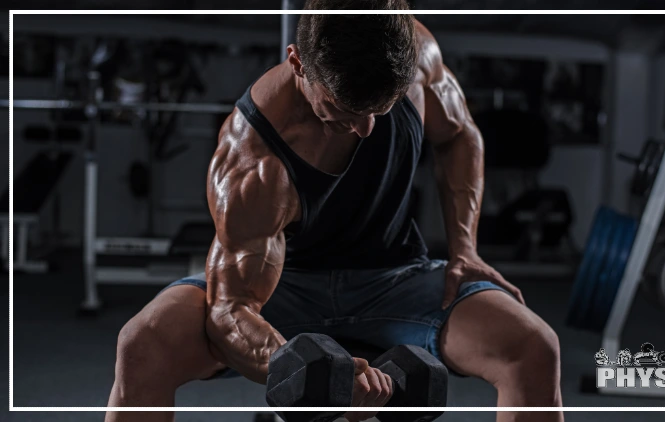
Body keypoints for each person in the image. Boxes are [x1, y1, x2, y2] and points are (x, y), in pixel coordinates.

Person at [105, 1, 563, 421]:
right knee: (143, 344)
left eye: (379, 111)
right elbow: (230, 311)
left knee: (533, 346)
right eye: (344, 112)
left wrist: (465, 249)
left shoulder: (417, 53)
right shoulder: (254, 157)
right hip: (280, 290)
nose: (365, 129)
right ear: (298, 64)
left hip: (397, 280)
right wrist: (299, 368)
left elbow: (460, 135)